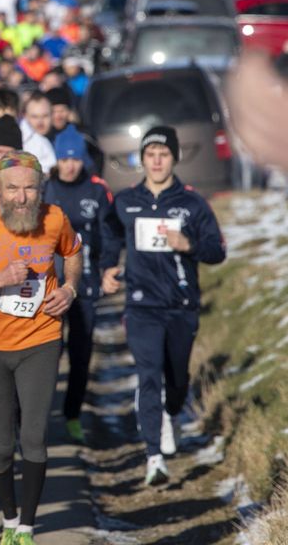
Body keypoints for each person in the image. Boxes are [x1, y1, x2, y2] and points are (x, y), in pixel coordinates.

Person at [0, 151, 83, 545]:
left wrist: (71, 289)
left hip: (40, 340)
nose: (22, 197)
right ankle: (8, 518)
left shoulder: (54, 217)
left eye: (30, 188)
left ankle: (26, 527)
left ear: (41, 189)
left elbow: (73, 253)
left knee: (35, 436)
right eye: (12, 189)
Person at [101, 126, 226, 486]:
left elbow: (217, 250)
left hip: (181, 305)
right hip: (141, 304)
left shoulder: (191, 203)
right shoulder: (125, 201)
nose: (156, 161)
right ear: (141, 159)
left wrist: (188, 245)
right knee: (148, 375)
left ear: (174, 157)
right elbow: (109, 233)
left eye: (164, 154)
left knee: (177, 380)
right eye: (150, 154)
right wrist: (110, 266)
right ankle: (153, 456)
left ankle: (173, 413)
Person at [43, 126, 114, 444]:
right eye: (64, 159)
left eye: (75, 159)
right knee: (47, 353)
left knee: (82, 353)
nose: (70, 165)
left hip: (84, 284)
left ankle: (72, 415)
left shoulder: (97, 190)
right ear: (56, 160)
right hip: (50, 283)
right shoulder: (45, 189)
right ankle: (37, 417)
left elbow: (110, 234)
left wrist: (107, 266)